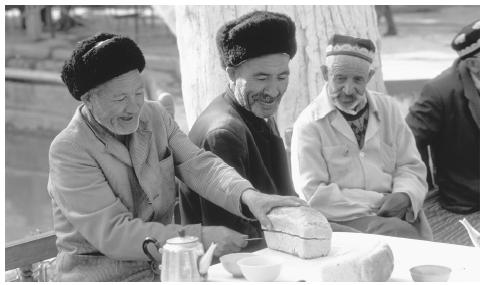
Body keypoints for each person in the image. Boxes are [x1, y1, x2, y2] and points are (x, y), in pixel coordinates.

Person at [47, 33, 306, 281]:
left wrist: (249, 197)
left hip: (164, 270)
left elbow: (199, 165)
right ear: (88, 100)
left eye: (138, 92)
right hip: (100, 276)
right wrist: (202, 238)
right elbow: (115, 234)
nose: (133, 107)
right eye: (120, 98)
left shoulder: (155, 116)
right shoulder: (69, 150)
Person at [291, 34, 432, 241]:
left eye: (358, 79)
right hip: (341, 218)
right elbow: (313, 193)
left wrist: (404, 195)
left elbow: (411, 165)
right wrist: (378, 202)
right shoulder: (309, 124)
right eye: (340, 78)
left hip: (397, 210)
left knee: (414, 241)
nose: (348, 90)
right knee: (402, 236)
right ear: (325, 73)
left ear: (370, 76)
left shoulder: (388, 109)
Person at [178, 11, 298, 250]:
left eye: (282, 77)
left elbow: (287, 198)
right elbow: (236, 240)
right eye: (261, 77)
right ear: (232, 74)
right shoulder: (223, 134)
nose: (273, 90)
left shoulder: (257, 109)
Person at [406, 20, 479, 215]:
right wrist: (426, 186)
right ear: (473, 63)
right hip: (470, 198)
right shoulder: (440, 91)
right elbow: (409, 141)